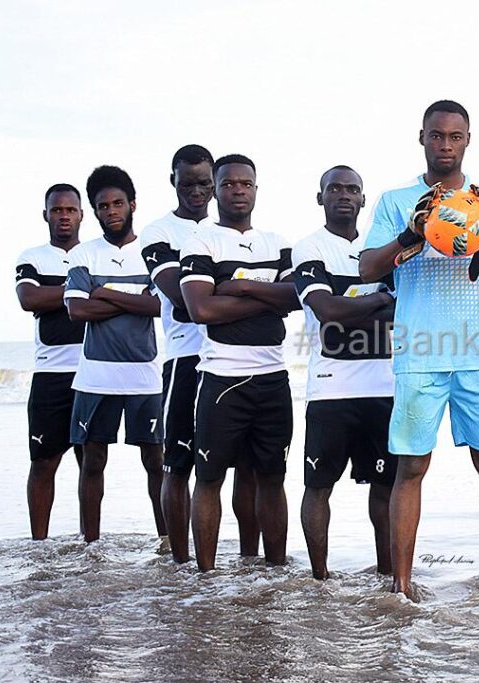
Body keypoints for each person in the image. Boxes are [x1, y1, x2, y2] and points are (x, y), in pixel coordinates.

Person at [359, 100, 479, 600]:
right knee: (411, 466)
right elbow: (366, 269)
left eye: (454, 137)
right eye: (436, 136)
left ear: (467, 140)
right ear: (421, 138)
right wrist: (410, 233)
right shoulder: (398, 200)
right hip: (419, 353)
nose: (444, 145)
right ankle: (402, 583)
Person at [140, 145, 262, 564]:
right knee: (179, 463)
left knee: (246, 467)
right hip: (185, 359)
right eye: (187, 181)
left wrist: (220, 292)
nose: (196, 190)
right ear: (172, 180)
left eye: (204, 183)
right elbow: (182, 302)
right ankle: (180, 563)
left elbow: (215, 298)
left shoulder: (228, 230)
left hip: (235, 361)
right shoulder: (157, 234)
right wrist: (247, 294)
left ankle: (250, 562)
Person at [179, 154, 300, 571]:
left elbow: (296, 298)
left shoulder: (278, 243)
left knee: (272, 477)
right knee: (209, 478)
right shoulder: (201, 242)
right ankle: (206, 576)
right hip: (222, 378)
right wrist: (264, 298)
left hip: (273, 376)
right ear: (215, 189)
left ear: (256, 188)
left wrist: (237, 285)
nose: (238, 190)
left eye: (245, 183)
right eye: (228, 183)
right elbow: (201, 310)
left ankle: (276, 570)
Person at [293, 165, 397, 580]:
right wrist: (377, 301)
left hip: (384, 387)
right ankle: (320, 577)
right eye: (334, 188)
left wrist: (353, 305)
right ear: (320, 197)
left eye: (352, 189)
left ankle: (389, 576)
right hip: (330, 390)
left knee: (386, 486)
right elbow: (328, 313)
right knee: (319, 487)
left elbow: (402, 311)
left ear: (363, 200)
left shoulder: (381, 251)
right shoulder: (309, 248)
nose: (343, 195)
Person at [64, 166, 166, 543]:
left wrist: (104, 293)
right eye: (103, 206)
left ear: (133, 204)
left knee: (156, 464)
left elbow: (160, 307)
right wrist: (134, 300)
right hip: (96, 377)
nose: (111, 211)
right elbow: (77, 311)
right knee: (92, 464)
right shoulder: (83, 254)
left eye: (118, 203)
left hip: (145, 375)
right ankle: (91, 546)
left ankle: (167, 544)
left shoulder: (151, 254)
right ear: (95, 211)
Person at [15, 184, 86, 539]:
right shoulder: (33, 257)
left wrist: (58, 294)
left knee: (91, 465)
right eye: (56, 210)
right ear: (45, 214)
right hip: (50, 375)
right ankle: (38, 544)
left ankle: (93, 543)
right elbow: (29, 298)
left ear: (81, 215)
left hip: (93, 373)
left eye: (70, 210)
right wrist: (81, 291)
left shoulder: (94, 255)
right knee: (43, 462)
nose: (63, 216)